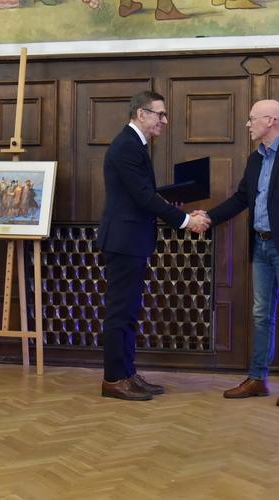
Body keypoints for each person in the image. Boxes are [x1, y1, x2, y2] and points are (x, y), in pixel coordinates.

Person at [201, 99, 279, 407]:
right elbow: (241, 199)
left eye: (252, 118)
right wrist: (208, 218)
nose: (248, 124)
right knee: (261, 315)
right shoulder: (255, 159)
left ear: (271, 120)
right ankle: (257, 378)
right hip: (260, 246)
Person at [97, 91, 209, 401]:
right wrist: (185, 220)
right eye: (160, 114)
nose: (165, 120)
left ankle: (127, 373)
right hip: (124, 241)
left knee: (129, 312)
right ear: (141, 114)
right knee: (120, 313)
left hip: (132, 240)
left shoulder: (135, 145)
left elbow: (142, 193)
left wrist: (174, 203)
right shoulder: (126, 146)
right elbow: (143, 197)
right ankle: (113, 379)